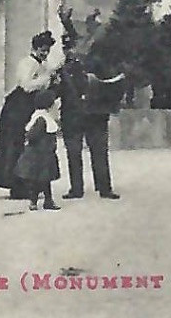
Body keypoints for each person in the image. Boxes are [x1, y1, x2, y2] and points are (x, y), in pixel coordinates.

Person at [0, 30, 65, 197]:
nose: (45, 53)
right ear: (34, 48)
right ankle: (16, 185)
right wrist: (46, 79)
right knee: (16, 144)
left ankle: (30, 183)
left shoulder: (43, 64)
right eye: (42, 50)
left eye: (47, 50)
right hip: (18, 107)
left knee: (31, 145)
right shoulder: (26, 63)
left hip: (31, 105)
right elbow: (26, 85)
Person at [54, 32, 126, 200]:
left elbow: (113, 83)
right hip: (73, 115)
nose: (70, 51)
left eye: (73, 46)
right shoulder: (63, 68)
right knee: (74, 153)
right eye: (67, 48)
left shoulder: (99, 65)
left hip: (95, 115)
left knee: (99, 152)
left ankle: (104, 188)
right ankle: (77, 188)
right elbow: (57, 91)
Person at [12, 89, 63, 210]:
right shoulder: (42, 118)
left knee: (44, 180)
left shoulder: (43, 116)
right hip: (39, 155)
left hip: (43, 154)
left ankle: (46, 201)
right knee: (39, 180)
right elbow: (32, 135)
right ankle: (36, 201)